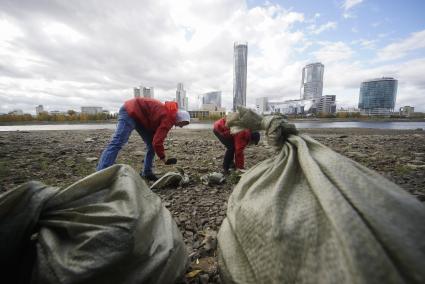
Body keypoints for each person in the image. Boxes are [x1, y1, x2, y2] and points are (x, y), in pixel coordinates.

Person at [96, 97, 190, 181]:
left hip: (140, 117)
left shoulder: (169, 114)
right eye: (183, 124)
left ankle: (147, 172)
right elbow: (157, 142)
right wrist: (163, 158)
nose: (181, 127)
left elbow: (155, 136)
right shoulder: (169, 118)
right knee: (118, 142)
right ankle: (101, 174)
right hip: (130, 111)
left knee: (151, 145)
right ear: (179, 118)